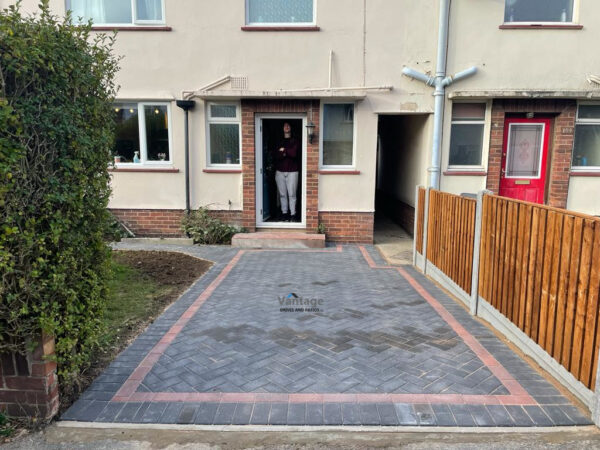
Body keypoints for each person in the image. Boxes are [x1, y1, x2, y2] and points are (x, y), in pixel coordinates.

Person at [273, 122, 299, 222]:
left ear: (291, 128)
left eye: (288, 125)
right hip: (280, 171)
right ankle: (285, 213)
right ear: (282, 128)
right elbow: (275, 155)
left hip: (292, 171)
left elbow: (294, 153)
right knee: (283, 195)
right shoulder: (278, 141)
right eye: (284, 125)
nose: (286, 127)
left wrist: (283, 151)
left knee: (292, 194)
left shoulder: (295, 140)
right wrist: (287, 152)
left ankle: (293, 214)